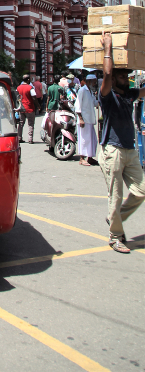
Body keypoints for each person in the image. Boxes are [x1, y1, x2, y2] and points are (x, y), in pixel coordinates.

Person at [97, 32, 145, 253]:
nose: (127, 79)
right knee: (114, 197)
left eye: (127, 76)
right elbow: (106, 73)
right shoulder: (107, 95)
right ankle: (116, 237)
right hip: (113, 150)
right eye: (123, 76)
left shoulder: (129, 94)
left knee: (141, 191)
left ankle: (114, 218)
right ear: (115, 78)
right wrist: (108, 47)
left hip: (130, 150)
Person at [75, 74, 98, 166]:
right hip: (84, 119)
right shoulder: (82, 90)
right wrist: (80, 118)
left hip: (90, 119)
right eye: (94, 81)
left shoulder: (90, 92)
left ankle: (90, 157)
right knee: (84, 139)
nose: (95, 83)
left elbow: (94, 103)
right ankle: (82, 158)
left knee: (92, 139)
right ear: (89, 81)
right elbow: (78, 105)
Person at [16, 74, 36, 143]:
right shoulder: (30, 88)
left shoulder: (18, 88)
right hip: (29, 108)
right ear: (28, 80)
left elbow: (16, 97)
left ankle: (19, 138)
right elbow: (34, 97)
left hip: (21, 108)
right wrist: (38, 105)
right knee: (30, 124)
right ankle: (30, 139)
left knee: (21, 123)